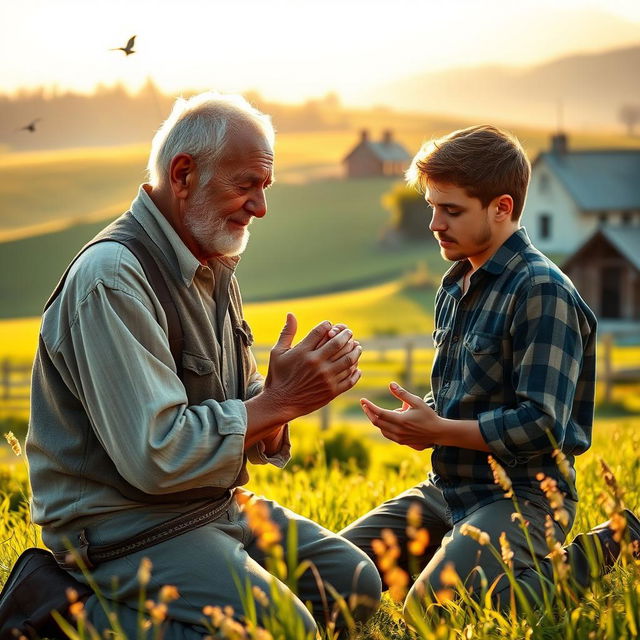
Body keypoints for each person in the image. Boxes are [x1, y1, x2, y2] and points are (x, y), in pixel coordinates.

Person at [22, 93, 382, 637]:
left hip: (213, 506)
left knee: (354, 582)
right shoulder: (113, 278)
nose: (260, 207)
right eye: (246, 185)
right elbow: (155, 453)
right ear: (184, 174)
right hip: (126, 528)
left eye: (266, 188)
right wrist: (276, 401)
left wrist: (288, 395)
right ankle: (60, 615)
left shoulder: (212, 262)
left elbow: (240, 404)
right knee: (290, 630)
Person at [340, 125, 639, 620]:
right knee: (332, 574)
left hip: (525, 496)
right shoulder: (455, 283)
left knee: (431, 613)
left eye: (451, 210)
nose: (435, 223)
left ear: (502, 207)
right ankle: (454, 563)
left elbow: (542, 425)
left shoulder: (542, 290)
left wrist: (440, 430)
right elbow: (464, 402)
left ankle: (606, 546)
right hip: (448, 490)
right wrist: (421, 420)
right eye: (433, 207)